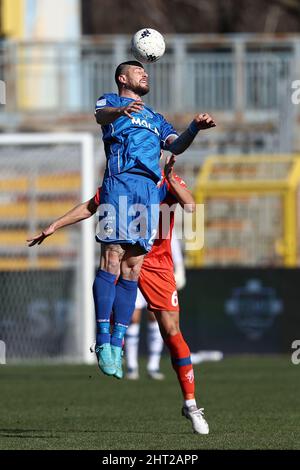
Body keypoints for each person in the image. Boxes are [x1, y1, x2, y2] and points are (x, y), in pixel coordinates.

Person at [27, 156, 210, 434]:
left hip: (158, 264)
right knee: (117, 293)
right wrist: (55, 225)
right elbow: (91, 205)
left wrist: (172, 180)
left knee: (172, 332)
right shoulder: (122, 181)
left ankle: (190, 404)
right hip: (129, 258)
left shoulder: (165, 180)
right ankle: (111, 347)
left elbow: (191, 206)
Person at [91, 59, 215, 380]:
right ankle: (103, 341)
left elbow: (176, 145)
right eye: (137, 71)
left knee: (133, 267)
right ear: (123, 77)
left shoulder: (155, 118)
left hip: (148, 193)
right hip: (120, 183)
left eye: (145, 71)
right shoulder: (111, 101)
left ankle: (117, 345)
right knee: (112, 260)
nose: (145, 73)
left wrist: (193, 129)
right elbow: (100, 115)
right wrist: (121, 111)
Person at [125, 235, 186, 381]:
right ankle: (131, 366)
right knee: (133, 318)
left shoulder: (166, 226)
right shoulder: (138, 224)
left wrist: (180, 271)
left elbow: (175, 254)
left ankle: (153, 365)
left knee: (156, 318)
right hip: (137, 273)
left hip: (158, 276)